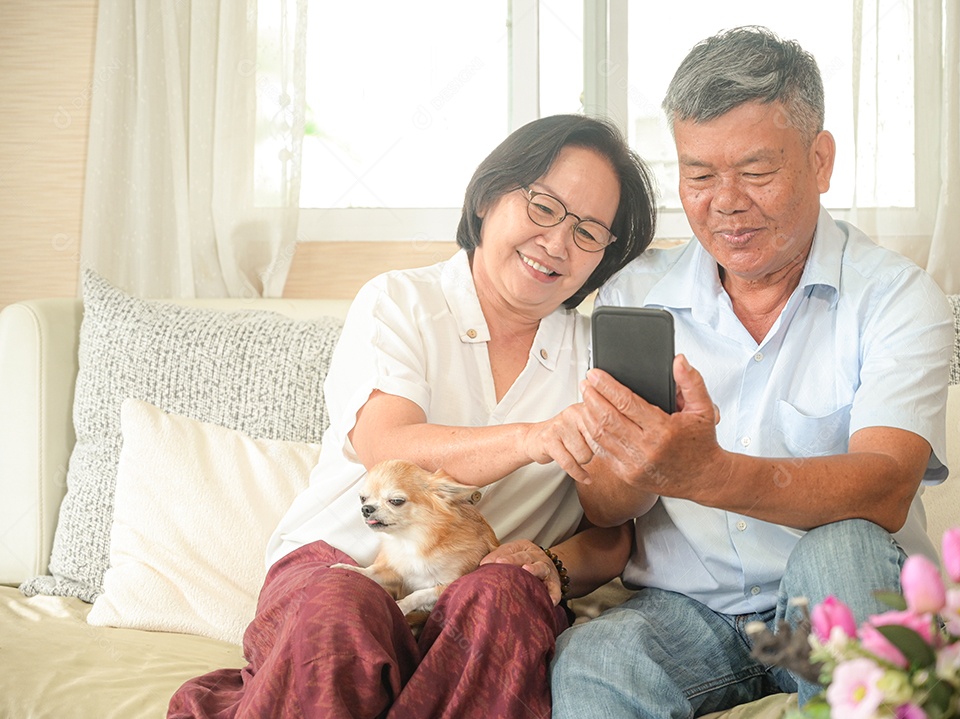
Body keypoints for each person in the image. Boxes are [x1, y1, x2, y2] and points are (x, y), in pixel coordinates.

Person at [168, 113, 656, 719]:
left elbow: (616, 533)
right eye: (544, 207)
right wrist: (533, 439)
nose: (558, 243)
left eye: (589, 231)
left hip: (474, 599)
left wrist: (552, 564)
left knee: (507, 598)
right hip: (339, 570)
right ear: (487, 198)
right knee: (346, 605)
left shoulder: (597, 356)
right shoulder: (399, 301)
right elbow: (387, 444)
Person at [550, 26, 955, 717]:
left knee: (845, 547)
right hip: (689, 617)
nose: (725, 201)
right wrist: (630, 466)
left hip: (829, 605)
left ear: (821, 160)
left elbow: (886, 488)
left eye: (757, 172)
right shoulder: (633, 296)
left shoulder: (895, 296)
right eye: (699, 175)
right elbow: (605, 509)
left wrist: (705, 471)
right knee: (594, 655)